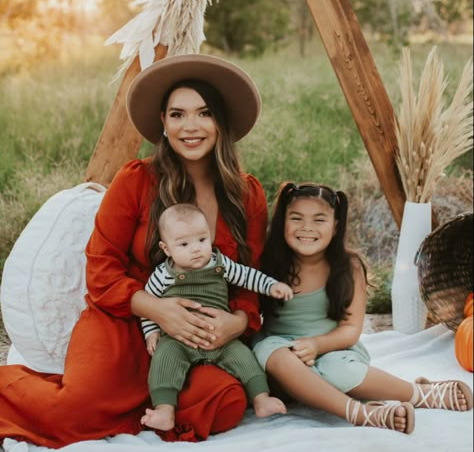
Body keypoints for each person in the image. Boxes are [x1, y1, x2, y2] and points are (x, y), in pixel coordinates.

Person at [0, 54, 270, 447]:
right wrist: (158, 310)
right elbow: (101, 270)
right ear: (163, 122)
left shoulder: (246, 194)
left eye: (204, 113)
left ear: (221, 122)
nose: (190, 127)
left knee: (224, 403)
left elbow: (249, 284)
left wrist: (237, 324)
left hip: (199, 337)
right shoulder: (135, 180)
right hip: (127, 319)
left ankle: (149, 402)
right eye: (177, 114)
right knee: (72, 410)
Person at [253, 182, 473, 436]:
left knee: (340, 370)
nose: (307, 228)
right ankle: (361, 413)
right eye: (296, 218)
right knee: (281, 358)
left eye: (319, 220)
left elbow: (350, 329)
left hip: (329, 347)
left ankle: (419, 393)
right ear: (283, 223)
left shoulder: (348, 268)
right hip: (277, 346)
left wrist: (316, 345)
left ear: (335, 226)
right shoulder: (269, 263)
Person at [141, 202, 293, 431]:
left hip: (220, 337)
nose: (196, 249)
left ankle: (261, 399)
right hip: (178, 340)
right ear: (166, 248)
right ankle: (164, 410)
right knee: (164, 361)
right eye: (184, 244)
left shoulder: (219, 264)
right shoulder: (163, 274)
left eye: (202, 240)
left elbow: (247, 276)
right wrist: (151, 332)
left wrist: (271, 286)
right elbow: (149, 304)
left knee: (244, 358)